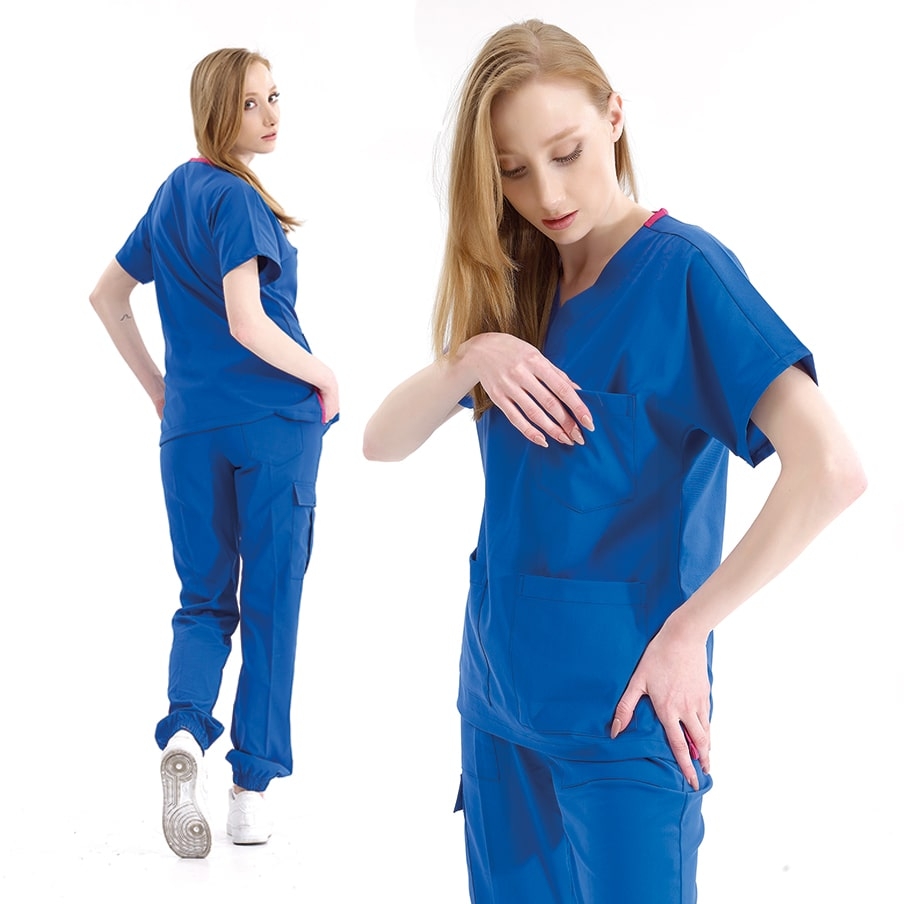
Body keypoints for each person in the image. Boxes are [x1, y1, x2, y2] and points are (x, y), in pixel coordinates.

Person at [363, 19, 866, 903]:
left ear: (615, 116)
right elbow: (381, 442)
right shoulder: (519, 288)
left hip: (627, 714)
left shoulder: (686, 275)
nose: (547, 193)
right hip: (497, 706)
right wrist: (471, 356)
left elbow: (830, 469)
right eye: (513, 170)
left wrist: (688, 633)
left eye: (567, 153)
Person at [89, 48, 339, 859]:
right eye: (250, 103)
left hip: (191, 430)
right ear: (216, 112)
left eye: (274, 97)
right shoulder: (237, 197)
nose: (270, 115)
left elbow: (106, 295)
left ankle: (184, 733)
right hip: (272, 425)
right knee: (271, 604)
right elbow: (246, 319)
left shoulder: (174, 192)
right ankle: (249, 796)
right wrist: (322, 374)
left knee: (203, 601)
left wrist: (161, 391)